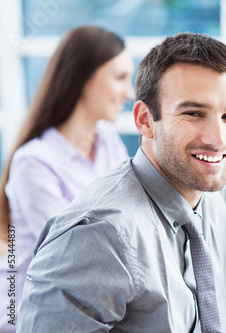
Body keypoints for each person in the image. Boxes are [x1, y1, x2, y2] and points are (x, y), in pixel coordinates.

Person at [18, 32, 226, 332]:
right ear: (145, 120)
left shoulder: (220, 203)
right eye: (193, 113)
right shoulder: (99, 235)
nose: (218, 139)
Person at [0, 26, 133, 330]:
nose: (129, 93)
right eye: (120, 77)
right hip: (28, 316)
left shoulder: (107, 141)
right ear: (84, 77)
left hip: (89, 303)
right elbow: (71, 254)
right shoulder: (33, 162)